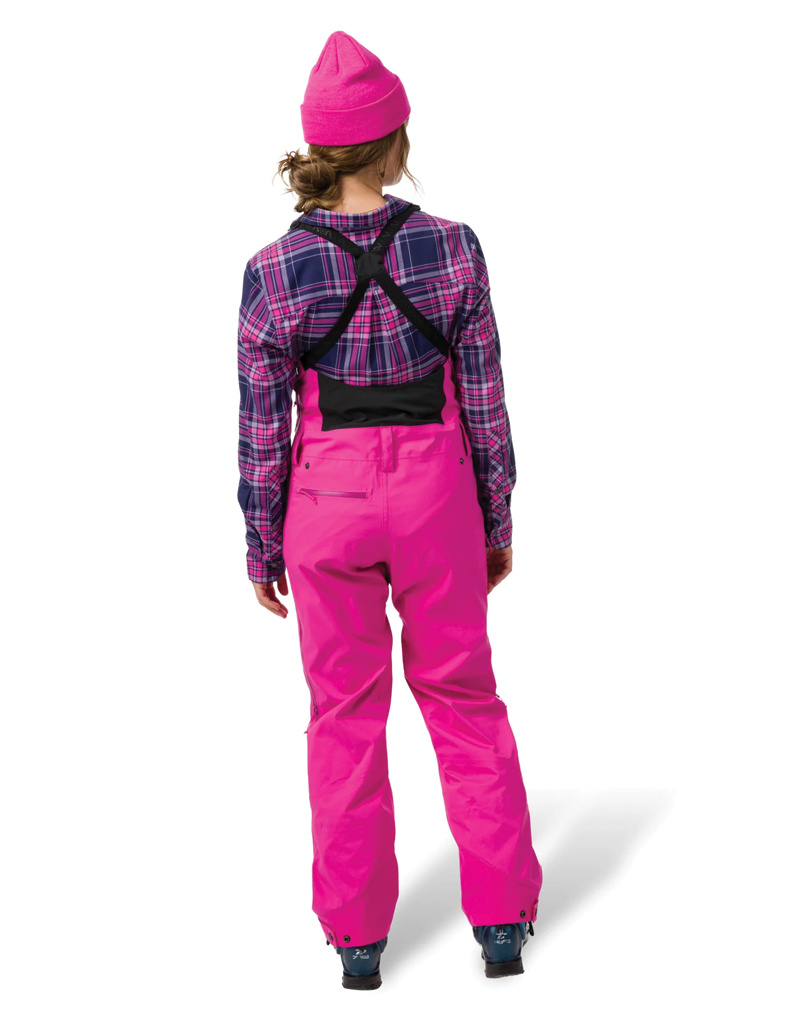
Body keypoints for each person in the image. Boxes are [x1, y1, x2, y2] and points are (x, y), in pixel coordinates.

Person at [236, 29, 543, 989]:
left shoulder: (271, 271)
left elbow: (261, 427)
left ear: (319, 146)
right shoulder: (453, 248)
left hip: (325, 507)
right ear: (395, 139)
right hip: (437, 497)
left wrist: (261, 544)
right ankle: (502, 925)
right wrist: (495, 518)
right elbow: (485, 401)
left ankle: (359, 941)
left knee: (343, 715)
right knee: (464, 697)